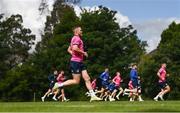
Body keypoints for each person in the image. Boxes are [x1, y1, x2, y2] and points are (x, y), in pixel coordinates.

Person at [53, 26, 101, 102]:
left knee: (87, 78)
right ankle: (59, 85)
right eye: (81, 30)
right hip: (76, 62)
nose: (82, 31)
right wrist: (83, 52)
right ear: (76, 31)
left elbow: (69, 49)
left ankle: (93, 96)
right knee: (76, 81)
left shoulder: (75, 39)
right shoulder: (76, 38)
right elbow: (75, 48)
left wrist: (74, 54)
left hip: (80, 62)